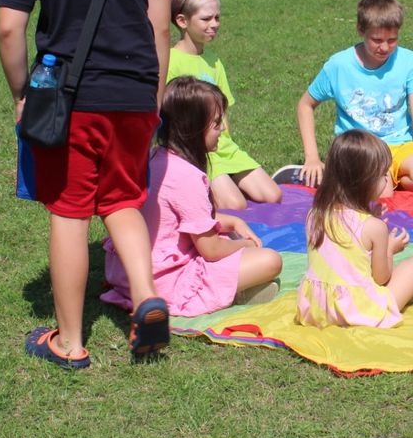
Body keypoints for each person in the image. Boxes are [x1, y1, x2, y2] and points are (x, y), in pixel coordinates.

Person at [0, 0, 173, 369]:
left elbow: (8, 25)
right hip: (134, 96)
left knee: (70, 210)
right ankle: (146, 299)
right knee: (122, 199)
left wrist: (22, 92)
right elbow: (160, 28)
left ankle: (70, 343)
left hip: (70, 100)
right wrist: (155, 96)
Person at [102, 77, 283, 317]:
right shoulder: (186, 176)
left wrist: (232, 221)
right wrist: (245, 245)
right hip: (164, 281)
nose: (223, 129)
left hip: (123, 272)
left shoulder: (156, 157)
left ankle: (235, 289)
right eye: (217, 123)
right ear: (193, 127)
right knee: (270, 260)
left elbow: (177, 218)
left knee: (227, 234)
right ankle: (229, 293)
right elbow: (211, 249)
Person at [296, 0, 413, 195]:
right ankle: (359, 177)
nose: (384, 47)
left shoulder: (410, 61)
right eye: (377, 40)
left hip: (400, 144)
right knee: (382, 192)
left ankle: (378, 178)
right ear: (361, 30)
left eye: (392, 40)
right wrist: (312, 157)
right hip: (362, 148)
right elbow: (305, 105)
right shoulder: (338, 65)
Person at [295, 130, 413, 328]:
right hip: (359, 312)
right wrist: (389, 250)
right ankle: (412, 291)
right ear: (365, 181)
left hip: (316, 309)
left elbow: (345, 254)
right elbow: (381, 278)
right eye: (383, 174)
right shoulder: (374, 228)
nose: (387, 180)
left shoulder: (314, 215)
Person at [167, 0, 281, 209]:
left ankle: (225, 181)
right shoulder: (171, 61)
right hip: (195, 150)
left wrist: (227, 142)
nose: (215, 24)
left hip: (223, 147)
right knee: (235, 205)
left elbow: (224, 110)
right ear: (182, 21)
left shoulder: (214, 61)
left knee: (272, 195)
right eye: (206, 18)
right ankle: (208, 188)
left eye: (217, 17)